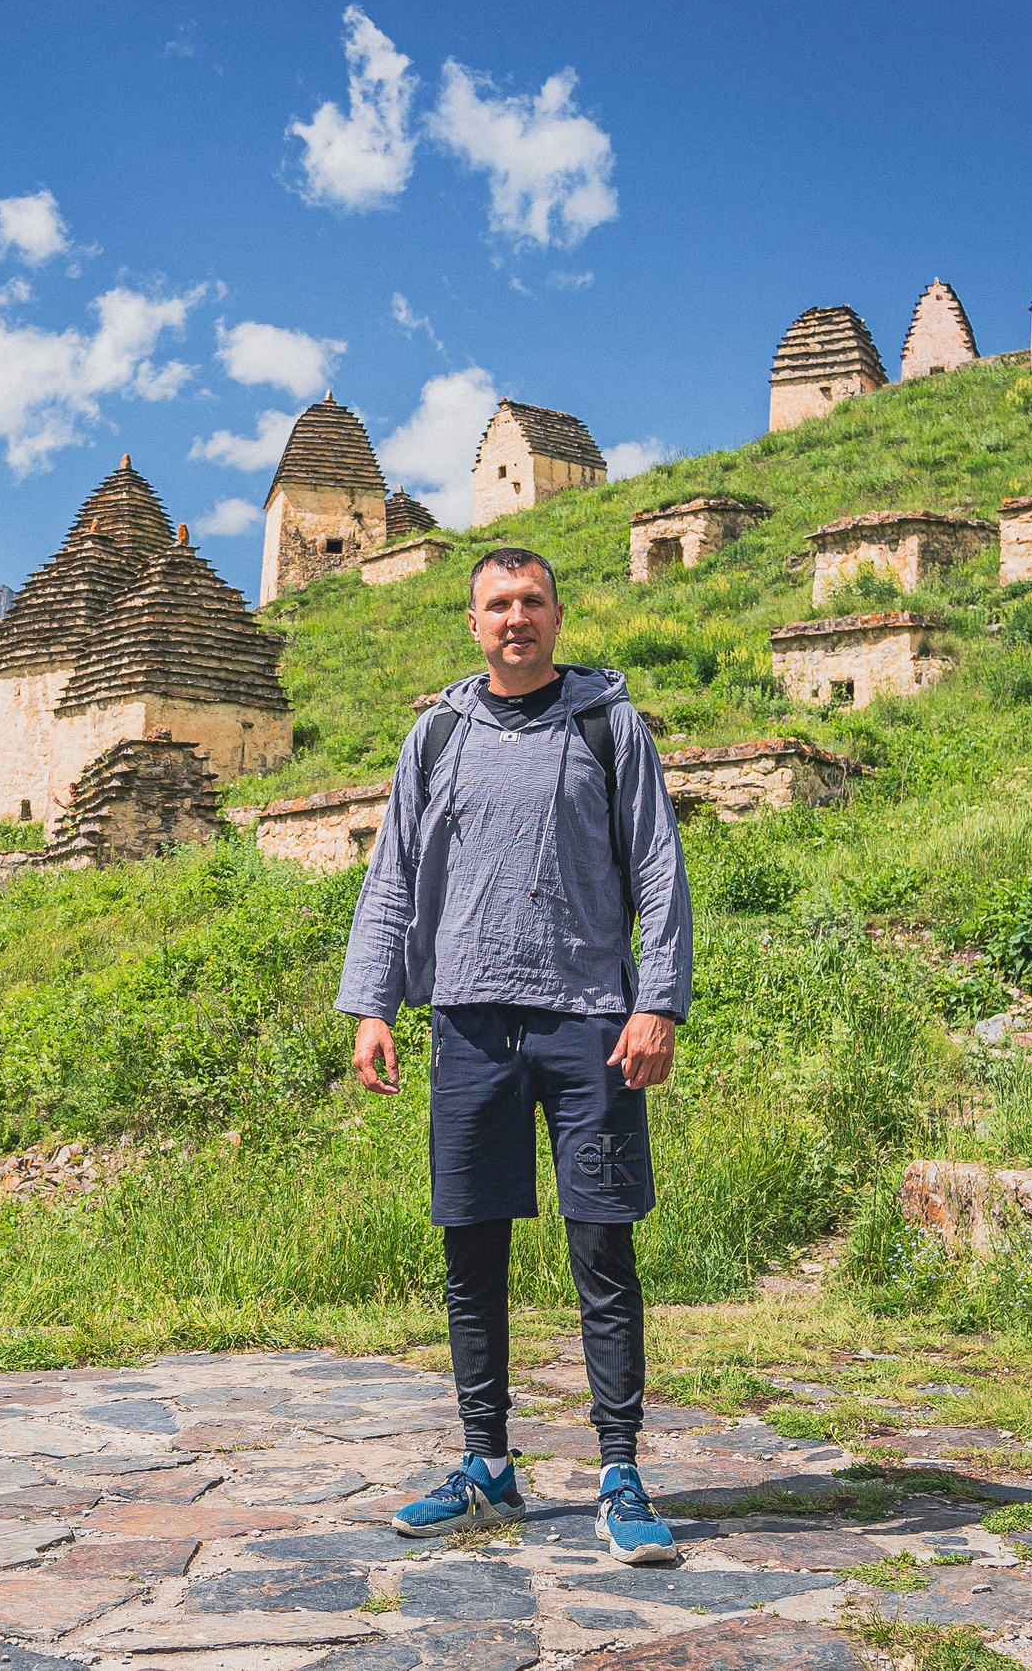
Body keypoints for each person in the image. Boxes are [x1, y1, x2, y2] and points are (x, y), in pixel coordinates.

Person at [336, 546, 694, 1564]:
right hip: (467, 1024)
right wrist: (373, 1005)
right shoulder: (437, 734)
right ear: (472, 621)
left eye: (533, 600)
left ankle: (619, 1472)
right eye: (498, 604)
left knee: (601, 1248)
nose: (516, 618)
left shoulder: (607, 726)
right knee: (470, 1249)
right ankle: (486, 1466)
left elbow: (658, 872)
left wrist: (656, 1001)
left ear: (559, 614)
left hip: (590, 1021)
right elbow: (393, 873)